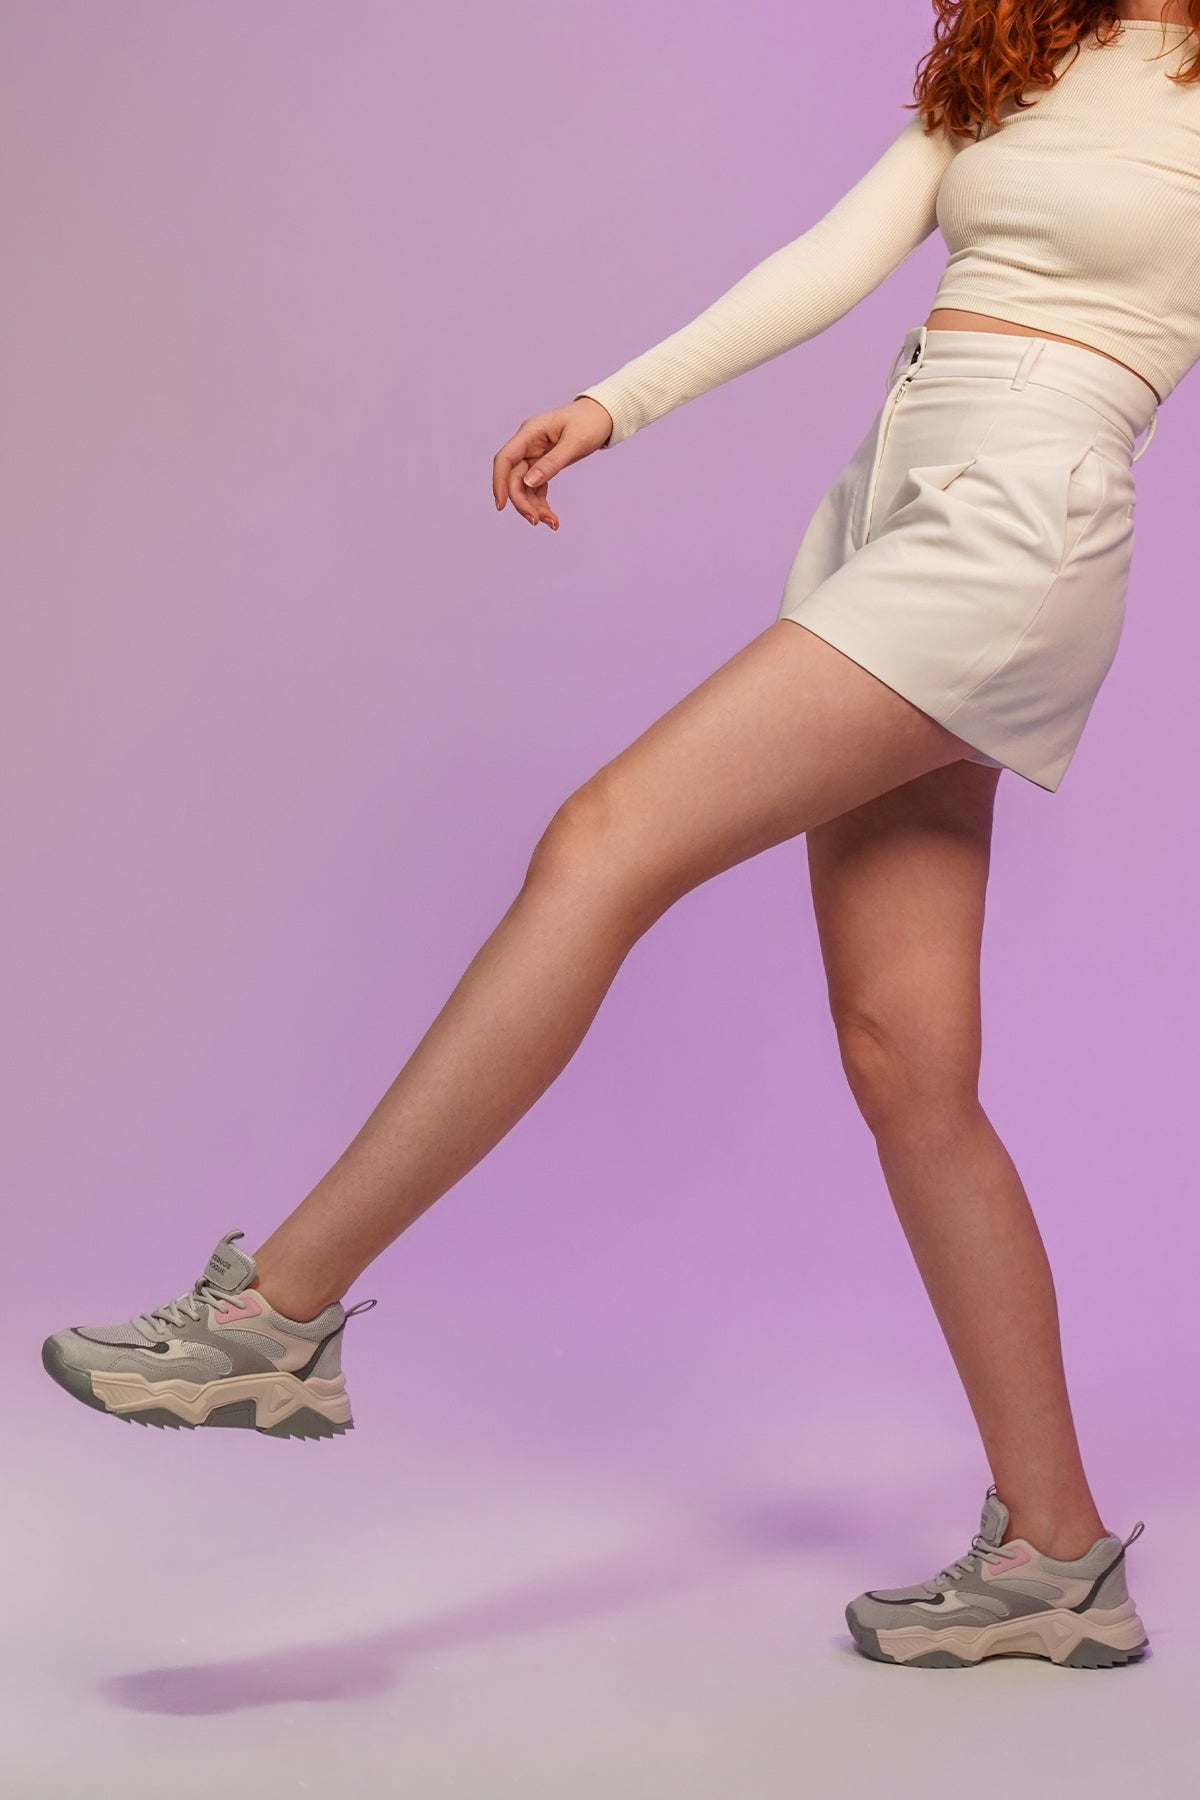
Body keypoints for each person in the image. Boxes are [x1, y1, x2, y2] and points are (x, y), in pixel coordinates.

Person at [44, 1, 1195, 1669]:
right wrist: (617, 402)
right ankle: (1056, 1558)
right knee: (906, 1062)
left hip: (1026, 524)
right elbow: (836, 257)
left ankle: (275, 1316)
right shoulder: (1020, 48)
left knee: (602, 841)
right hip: (898, 499)